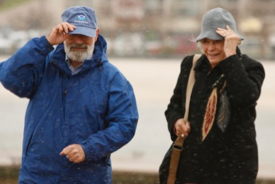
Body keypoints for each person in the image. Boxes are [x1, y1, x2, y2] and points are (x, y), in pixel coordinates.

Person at [0, 5, 138, 184]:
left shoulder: (113, 78)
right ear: (63, 33)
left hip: (88, 177)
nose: (79, 41)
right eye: (73, 34)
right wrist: (45, 43)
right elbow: (8, 77)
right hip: (36, 175)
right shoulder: (42, 65)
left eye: (85, 35)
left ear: (96, 35)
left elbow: (125, 125)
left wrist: (88, 149)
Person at [164, 7, 265, 184]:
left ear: (231, 41)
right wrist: (176, 122)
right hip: (192, 169)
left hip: (233, 171)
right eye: (205, 41)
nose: (210, 48)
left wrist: (231, 58)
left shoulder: (251, 67)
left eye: (217, 42)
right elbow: (174, 107)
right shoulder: (191, 65)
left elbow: (245, 98)